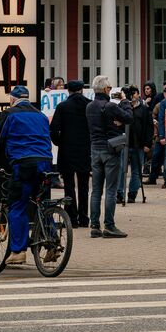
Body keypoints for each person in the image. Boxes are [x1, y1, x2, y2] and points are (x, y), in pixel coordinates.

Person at [0, 85, 54, 265]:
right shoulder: (40, 115)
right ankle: (52, 240)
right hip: (45, 161)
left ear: (12, 99)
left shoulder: (9, 114)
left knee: (17, 205)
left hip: (23, 163)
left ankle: (18, 251)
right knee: (43, 203)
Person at [86, 75, 131, 238]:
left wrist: (113, 122)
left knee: (96, 190)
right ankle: (109, 225)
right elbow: (128, 118)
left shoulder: (89, 107)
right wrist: (125, 101)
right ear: (105, 89)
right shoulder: (110, 106)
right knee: (110, 189)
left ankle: (94, 226)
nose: (111, 90)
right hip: (110, 149)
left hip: (95, 149)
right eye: (110, 88)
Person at [49, 79, 92, 229]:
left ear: (68, 91)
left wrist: (59, 142)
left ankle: (72, 219)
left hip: (67, 150)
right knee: (84, 186)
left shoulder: (62, 106)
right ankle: (84, 218)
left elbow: (54, 129)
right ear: (82, 90)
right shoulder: (89, 105)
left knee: (69, 186)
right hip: (85, 150)